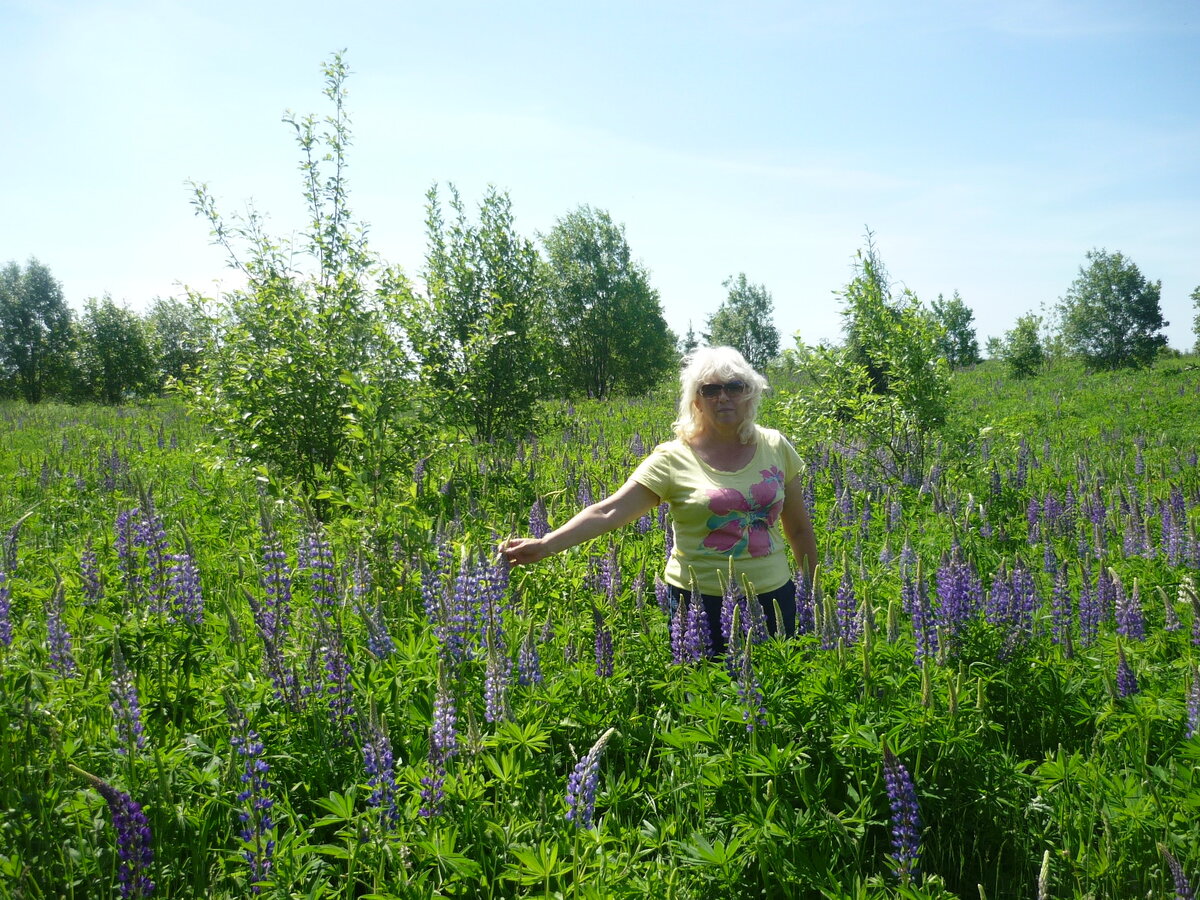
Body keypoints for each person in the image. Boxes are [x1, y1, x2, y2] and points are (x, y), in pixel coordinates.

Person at [500, 346, 817, 654]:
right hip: (698, 604)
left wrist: (811, 594)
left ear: (750, 393)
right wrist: (546, 545)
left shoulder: (775, 446)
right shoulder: (672, 458)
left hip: (775, 596)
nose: (723, 396)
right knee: (701, 697)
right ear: (696, 401)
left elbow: (800, 530)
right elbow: (610, 510)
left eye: (735, 386)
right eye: (710, 389)